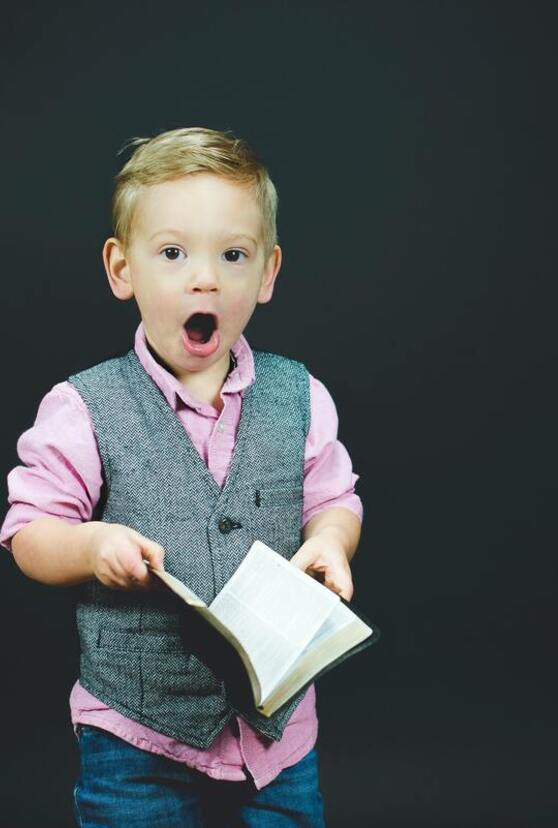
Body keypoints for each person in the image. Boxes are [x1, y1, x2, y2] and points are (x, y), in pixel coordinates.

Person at [0, 126, 363, 826]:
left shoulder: (301, 396)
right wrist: (88, 546)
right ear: (121, 269)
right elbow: (26, 533)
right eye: (172, 253)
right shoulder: (84, 407)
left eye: (233, 255)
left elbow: (334, 497)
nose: (206, 278)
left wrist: (331, 541)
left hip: (276, 737)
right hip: (137, 736)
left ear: (267, 274)